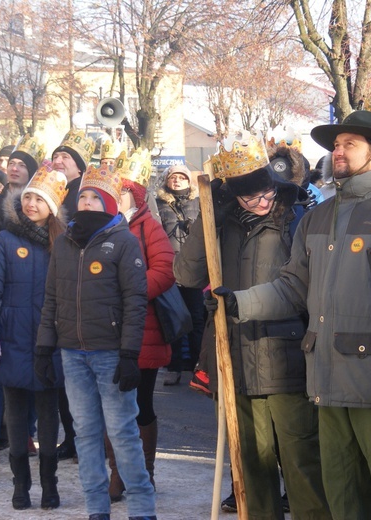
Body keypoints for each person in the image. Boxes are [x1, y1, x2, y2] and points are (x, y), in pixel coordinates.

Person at [215, 112, 371, 519]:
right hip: (325, 379)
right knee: (341, 495)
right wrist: (240, 302)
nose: (337, 151)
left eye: (349, 144)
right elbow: (292, 289)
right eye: (336, 145)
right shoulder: (318, 217)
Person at [174, 131, 329, 519]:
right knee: (250, 465)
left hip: (286, 358)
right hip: (234, 357)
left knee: (301, 462)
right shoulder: (221, 223)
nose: (261, 202)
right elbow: (186, 274)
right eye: (249, 197)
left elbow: (302, 288)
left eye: (266, 192)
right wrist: (208, 217)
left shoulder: (296, 220)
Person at [35, 163, 156, 520]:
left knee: (122, 433)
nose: (87, 202)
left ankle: (142, 508)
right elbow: (52, 298)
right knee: (86, 433)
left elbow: (135, 300)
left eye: (95, 197)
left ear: (110, 204)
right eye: (83, 196)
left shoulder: (124, 241)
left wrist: (130, 354)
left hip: (111, 355)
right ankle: (96, 509)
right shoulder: (64, 243)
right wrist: (45, 346)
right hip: (73, 353)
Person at [0, 166, 68, 510]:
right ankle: (21, 485)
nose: (30, 203)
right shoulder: (4, 239)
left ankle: (49, 484)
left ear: (52, 207)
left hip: (51, 339)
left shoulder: (64, 242)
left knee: (48, 414)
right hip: (12, 337)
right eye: (27, 196)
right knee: (14, 415)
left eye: (39, 199)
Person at [106, 150, 175, 502]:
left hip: (143, 331)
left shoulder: (149, 227)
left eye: (123, 192)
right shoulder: (97, 226)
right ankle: (117, 471)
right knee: (110, 405)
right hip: (104, 332)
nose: (116, 198)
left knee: (140, 404)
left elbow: (164, 270)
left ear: (135, 195)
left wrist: (129, 292)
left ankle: (143, 472)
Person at [49, 127, 95, 462]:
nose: (59, 160)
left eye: (65, 156)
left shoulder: (88, 194)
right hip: (53, 287)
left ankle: (86, 439)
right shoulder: (50, 192)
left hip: (83, 289)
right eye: (56, 156)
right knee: (64, 376)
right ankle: (70, 436)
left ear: (79, 166)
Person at [155, 164, 203, 386]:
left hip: (194, 267)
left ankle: (197, 366)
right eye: (173, 177)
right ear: (166, 180)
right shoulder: (159, 203)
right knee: (173, 317)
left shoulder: (199, 201)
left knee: (196, 318)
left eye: (181, 177)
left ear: (188, 180)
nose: (177, 180)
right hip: (170, 267)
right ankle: (173, 367)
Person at [0, 134, 45, 232]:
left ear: (31, 172)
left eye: (22, 165)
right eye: (11, 163)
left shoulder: (35, 207)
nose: (14, 169)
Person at [52, 127, 95, 217]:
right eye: (55, 157)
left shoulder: (82, 196)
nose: (57, 161)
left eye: (65, 157)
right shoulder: (50, 188)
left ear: (79, 168)